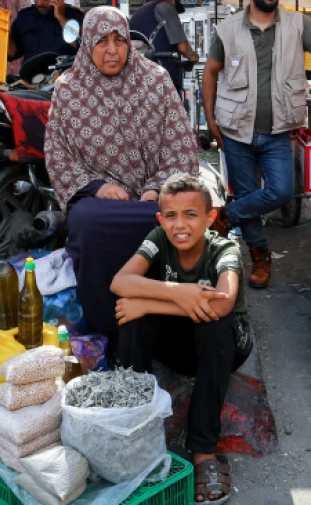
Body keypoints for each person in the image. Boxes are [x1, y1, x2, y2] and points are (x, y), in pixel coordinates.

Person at [46, 7, 199, 364]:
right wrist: (97, 186)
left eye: (120, 40)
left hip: (149, 200)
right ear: (87, 45)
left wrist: (156, 187)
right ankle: (108, 331)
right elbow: (57, 155)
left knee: (164, 219)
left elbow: (180, 145)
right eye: (101, 41)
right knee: (87, 223)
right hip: (99, 203)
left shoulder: (156, 80)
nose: (112, 50)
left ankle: (162, 325)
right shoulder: (68, 90)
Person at [203, 0, 311, 289]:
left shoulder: (298, 24)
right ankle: (260, 257)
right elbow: (210, 73)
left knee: (281, 190)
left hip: (278, 131)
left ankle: (227, 216)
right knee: (246, 192)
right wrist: (210, 118)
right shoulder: (226, 31)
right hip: (236, 129)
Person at [111, 173, 250, 505]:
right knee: (133, 318)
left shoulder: (224, 248)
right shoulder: (158, 238)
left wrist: (148, 300)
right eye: (171, 216)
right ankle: (134, 428)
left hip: (224, 346)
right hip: (176, 345)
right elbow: (120, 281)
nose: (180, 225)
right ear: (161, 219)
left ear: (209, 217)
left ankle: (203, 451)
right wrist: (180, 293)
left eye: (191, 215)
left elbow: (223, 301)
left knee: (215, 323)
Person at [129, 0, 200, 101]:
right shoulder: (166, 7)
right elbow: (183, 48)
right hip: (163, 78)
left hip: (139, 77)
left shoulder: (140, 12)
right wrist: (193, 57)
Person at [8, 0, 85, 63]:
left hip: (65, 74)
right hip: (33, 75)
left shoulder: (75, 16)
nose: (40, 3)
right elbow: (12, 54)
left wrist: (61, 17)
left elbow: (80, 47)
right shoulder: (24, 17)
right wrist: (7, 33)